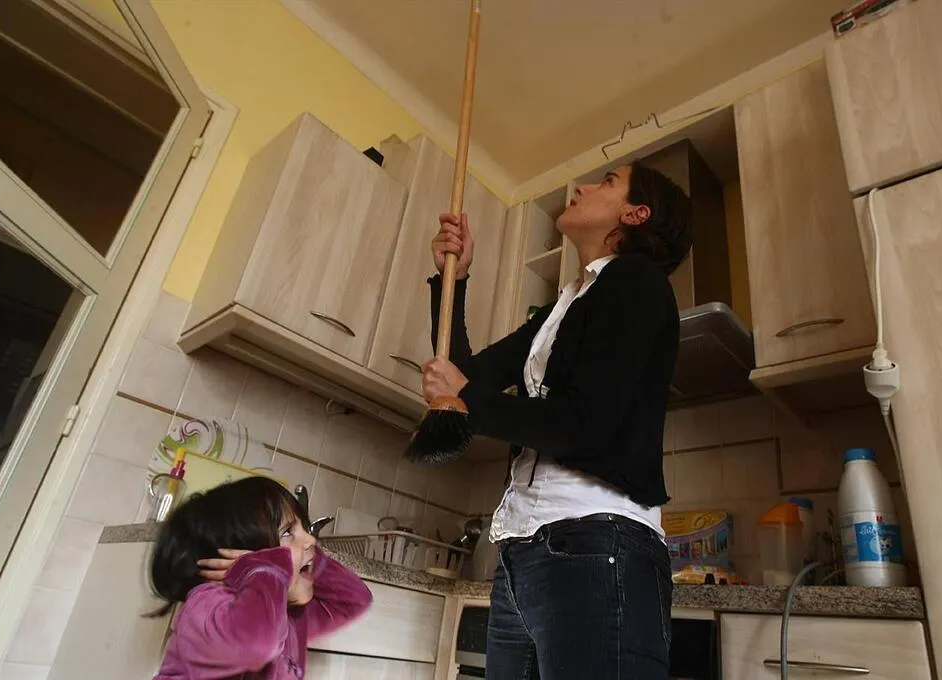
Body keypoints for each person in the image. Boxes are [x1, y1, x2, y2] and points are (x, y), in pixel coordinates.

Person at [424, 162, 693, 679]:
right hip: (523, 552)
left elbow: (583, 425)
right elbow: (465, 381)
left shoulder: (637, 279)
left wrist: (465, 396)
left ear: (636, 214)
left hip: (597, 542)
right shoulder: (561, 307)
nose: (582, 187)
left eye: (607, 182)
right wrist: (452, 278)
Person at [149, 476, 372, 679]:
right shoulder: (207, 604)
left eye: (304, 528)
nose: (311, 539)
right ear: (244, 555)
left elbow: (354, 599)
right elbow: (255, 644)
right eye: (288, 532)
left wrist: (301, 565)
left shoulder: (285, 613)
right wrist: (264, 568)